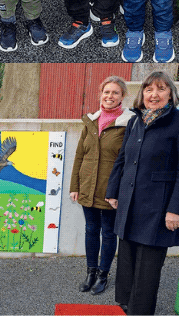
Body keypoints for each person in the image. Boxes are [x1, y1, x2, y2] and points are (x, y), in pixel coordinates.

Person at [105, 71, 179, 316]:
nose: (154, 94)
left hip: (158, 208)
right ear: (142, 94)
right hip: (130, 203)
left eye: (161, 89)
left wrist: (175, 210)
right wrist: (113, 191)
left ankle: (141, 311)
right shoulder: (136, 120)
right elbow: (122, 159)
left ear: (171, 94)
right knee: (126, 262)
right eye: (148, 89)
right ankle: (125, 306)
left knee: (147, 269)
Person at [69, 75, 133, 297]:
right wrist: (74, 185)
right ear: (100, 95)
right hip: (87, 186)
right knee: (90, 230)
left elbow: (128, 161)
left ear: (122, 96)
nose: (110, 96)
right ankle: (91, 272)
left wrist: (118, 191)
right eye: (106, 92)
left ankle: (103, 275)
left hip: (109, 191)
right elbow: (79, 156)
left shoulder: (129, 123)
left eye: (115, 92)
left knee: (108, 233)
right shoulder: (90, 122)